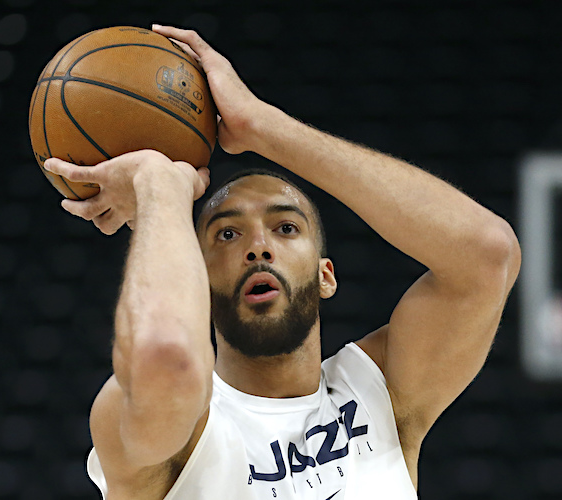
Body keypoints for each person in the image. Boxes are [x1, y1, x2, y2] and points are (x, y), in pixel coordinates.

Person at [43, 25, 521, 500]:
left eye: (286, 227)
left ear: (325, 274)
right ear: (198, 282)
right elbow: (166, 359)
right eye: (227, 234)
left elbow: (486, 255)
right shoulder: (184, 433)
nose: (258, 247)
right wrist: (159, 188)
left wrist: (261, 126)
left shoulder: (381, 396)